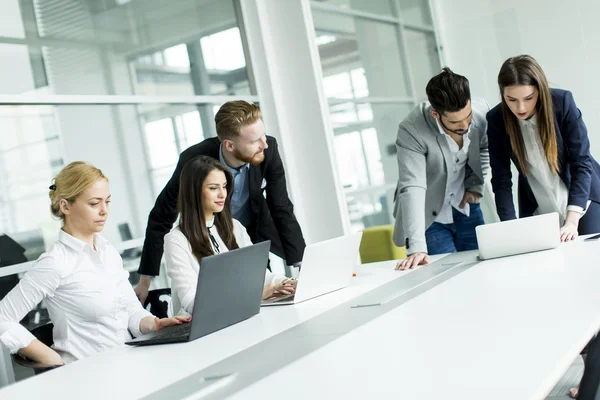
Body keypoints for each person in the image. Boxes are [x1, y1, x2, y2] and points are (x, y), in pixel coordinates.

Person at [0, 162, 188, 366]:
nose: (104, 211)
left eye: (107, 202)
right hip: (87, 375)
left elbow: (131, 310)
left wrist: (155, 324)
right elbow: (3, 317)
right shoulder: (55, 263)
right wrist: (54, 359)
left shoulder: (107, 252)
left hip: (129, 363)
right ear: (65, 206)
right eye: (94, 203)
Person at [135, 101, 306, 304]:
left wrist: (303, 264)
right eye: (254, 141)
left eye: (263, 135)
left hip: (246, 229)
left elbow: (281, 206)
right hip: (205, 235)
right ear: (229, 145)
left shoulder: (267, 149)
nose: (264, 144)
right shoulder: (195, 161)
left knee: (258, 277)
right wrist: (146, 280)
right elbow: (162, 214)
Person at [487, 55, 600, 241]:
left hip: (582, 202)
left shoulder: (562, 102)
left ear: (539, 90)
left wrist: (572, 221)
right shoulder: (497, 119)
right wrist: (510, 227)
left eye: (528, 98)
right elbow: (501, 180)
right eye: (511, 99)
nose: (520, 107)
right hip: (539, 210)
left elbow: (581, 162)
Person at [164, 156, 296, 315]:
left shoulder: (235, 227)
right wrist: (254, 295)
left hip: (241, 316)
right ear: (194, 192)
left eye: (224, 186)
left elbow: (260, 274)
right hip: (202, 329)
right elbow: (194, 304)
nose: (222, 194)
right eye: (213, 188)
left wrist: (285, 283)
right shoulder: (176, 240)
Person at [393, 68, 490, 271]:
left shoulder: (481, 114)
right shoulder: (412, 129)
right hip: (429, 216)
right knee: (445, 275)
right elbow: (413, 185)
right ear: (435, 114)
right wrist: (417, 247)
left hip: (465, 205)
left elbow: (483, 148)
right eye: (455, 122)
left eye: (468, 117)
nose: (465, 125)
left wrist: (475, 186)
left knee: (482, 269)